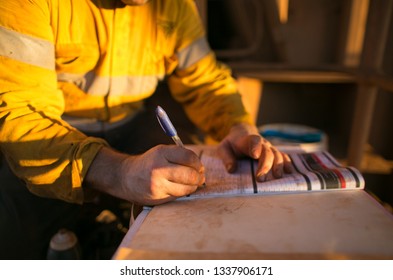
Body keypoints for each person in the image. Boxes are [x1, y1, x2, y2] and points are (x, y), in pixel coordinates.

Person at [0, 0, 292, 259]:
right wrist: (120, 173)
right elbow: (22, 114)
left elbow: (205, 81)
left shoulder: (174, 5)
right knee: (15, 238)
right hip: (50, 138)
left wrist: (238, 126)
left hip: (133, 126)